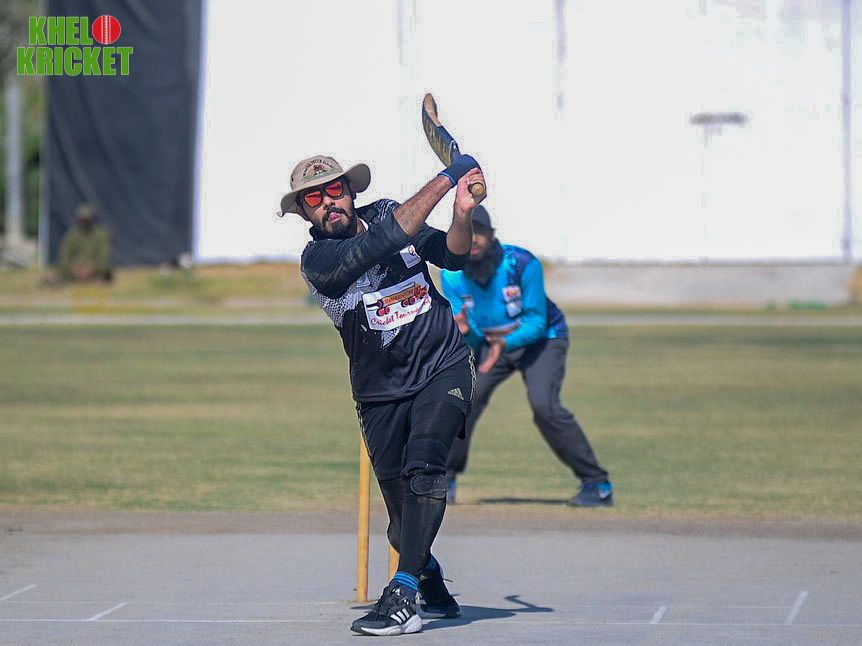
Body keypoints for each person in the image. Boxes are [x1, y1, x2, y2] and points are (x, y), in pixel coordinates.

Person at [282, 153, 484, 636]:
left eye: (335, 190)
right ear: (304, 211)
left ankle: (403, 594)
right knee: (401, 523)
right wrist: (449, 176)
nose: (328, 202)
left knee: (426, 468)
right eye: (314, 198)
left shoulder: (388, 211)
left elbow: (453, 256)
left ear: (351, 192)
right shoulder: (318, 260)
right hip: (379, 392)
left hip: (443, 363)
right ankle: (428, 576)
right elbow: (384, 241)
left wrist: (461, 214)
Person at [439, 206, 613, 507]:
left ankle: (597, 484)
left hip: (542, 340)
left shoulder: (521, 264)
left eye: (480, 231)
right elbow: (473, 334)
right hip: (492, 344)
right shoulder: (451, 275)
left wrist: (505, 343)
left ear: (493, 236)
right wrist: (466, 332)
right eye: (467, 231)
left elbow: (537, 320)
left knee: (544, 406)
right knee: (464, 400)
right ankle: (445, 478)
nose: (474, 238)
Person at [57, 203, 112, 283]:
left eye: (87, 220)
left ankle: (94, 278)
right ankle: (91, 279)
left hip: (95, 269)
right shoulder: (72, 235)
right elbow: (64, 257)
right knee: (62, 269)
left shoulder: (101, 234)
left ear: (93, 219)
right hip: (75, 269)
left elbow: (104, 256)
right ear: (78, 220)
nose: (85, 222)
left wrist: (92, 268)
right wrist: (74, 269)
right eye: (83, 220)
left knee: (106, 269)